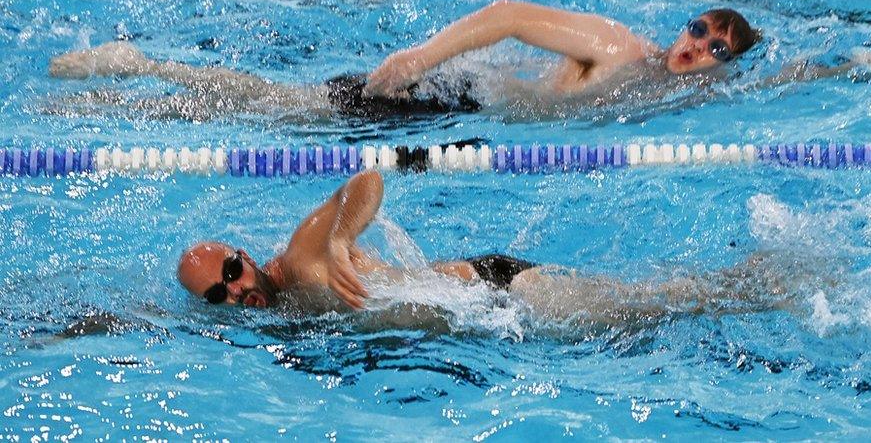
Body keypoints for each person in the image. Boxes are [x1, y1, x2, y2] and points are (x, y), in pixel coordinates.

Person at [176, 170, 808, 325]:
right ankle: (757, 282)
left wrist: (342, 234)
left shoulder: (305, 255)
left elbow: (367, 180)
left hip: (500, 291)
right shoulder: (276, 312)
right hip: (488, 314)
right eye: (220, 294)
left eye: (232, 270)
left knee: (660, 307)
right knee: (650, 305)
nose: (236, 288)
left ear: (244, 252)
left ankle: (776, 283)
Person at [48, 0, 764, 120]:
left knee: (278, 110)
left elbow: (800, 78)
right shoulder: (618, 47)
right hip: (442, 97)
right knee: (280, 110)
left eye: (714, 50)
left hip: (453, 112)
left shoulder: (676, 94)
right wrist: (418, 60)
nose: (694, 46)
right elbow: (508, 13)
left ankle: (134, 89)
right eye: (698, 29)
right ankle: (137, 75)